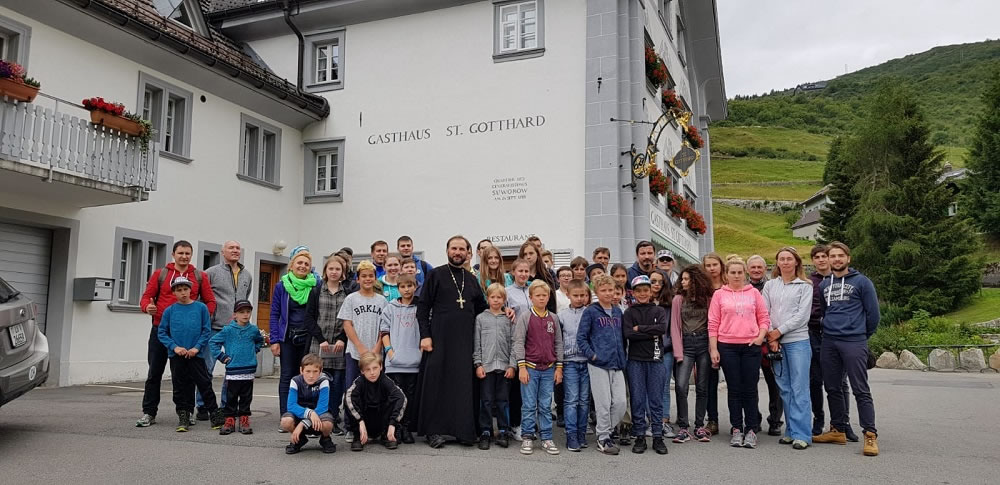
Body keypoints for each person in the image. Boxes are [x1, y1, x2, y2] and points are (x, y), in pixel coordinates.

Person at [417, 236, 492, 448]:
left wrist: (502, 311)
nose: (457, 252)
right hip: (439, 339)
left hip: (465, 341)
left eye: (461, 249)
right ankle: (433, 431)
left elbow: (482, 308)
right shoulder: (436, 275)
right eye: (454, 248)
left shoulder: (471, 279)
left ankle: (463, 430)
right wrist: (425, 335)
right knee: (436, 383)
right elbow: (423, 307)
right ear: (447, 250)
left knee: (462, 385)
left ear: (468, 252)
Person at [137, 240, 216, 428]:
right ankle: (149, 412)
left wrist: (200, 318)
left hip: (188, 336)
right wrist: (147, 307)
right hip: (161, 331)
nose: (184, 256)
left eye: (188, 253)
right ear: (173, 254)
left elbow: (210, 302)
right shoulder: (161, 274)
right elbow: (146, 297)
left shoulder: (199, 276)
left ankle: (187, 412)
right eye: (181, 253)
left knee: (187, 377)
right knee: (154, 373)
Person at [813, 242, 880, 457]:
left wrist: (860, 335)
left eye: (840, 255)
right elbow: (825, 312)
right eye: (833, 256)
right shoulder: (824, 285)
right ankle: (838, 430)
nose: (836, 259)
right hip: (829, 341)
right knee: (832, 387)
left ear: (848, 258)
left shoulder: (862, 282)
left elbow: (873, 315)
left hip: (854, 341)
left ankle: (870, 434)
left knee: (860, 389)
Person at [709, 255, 770, 449]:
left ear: (745, 274)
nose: (736, 276)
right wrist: (713, 348)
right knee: (734, 389)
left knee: (750, 389)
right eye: (732, 272)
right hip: (727, 346)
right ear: (726, 274)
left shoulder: (754, 293)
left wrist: (760, 337)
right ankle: (736, 428)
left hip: (751, 346)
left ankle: (751, 429)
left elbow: (764, 318)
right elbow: (713, 323)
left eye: (739, 272)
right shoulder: (719, 295)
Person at [762, 247, 814, 450]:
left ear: (796, 262)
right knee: (784, 388)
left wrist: (779, 332)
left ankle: (802, 434)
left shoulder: (805, 286)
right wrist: (771, 335)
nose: (785, 262)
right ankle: (791, 431)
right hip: (775, 342)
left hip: (797, 341)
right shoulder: (770, 285)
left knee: (799, 388)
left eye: (789, 259)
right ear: (777, 262)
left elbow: (802, 316)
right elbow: (764, 312)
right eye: (781, 259)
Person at [156, 276, 223, 432]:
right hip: (177, 356)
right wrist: (174, 347)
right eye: (179, 290)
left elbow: (206, 330)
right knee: (180, 386)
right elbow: (162, 332)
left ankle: (214, 414)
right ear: (174, 292)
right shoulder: (169, 311)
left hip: (196, 355)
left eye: (185, 289)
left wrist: (197, 348)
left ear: (191, 290)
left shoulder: (201, 308)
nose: (183, 293)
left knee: (204, 383)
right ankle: (184, 415)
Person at [808, 245, 857, 441]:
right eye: (817, 257)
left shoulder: (839, 279)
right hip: (813, 333)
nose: (821, 260)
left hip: (836, 334)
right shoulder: (809, 282)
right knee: (815, 380)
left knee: (840, 382)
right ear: (813, 260)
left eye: (824, 256)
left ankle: (843, 423)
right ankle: (818, 420)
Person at [339, 260, 389, 443]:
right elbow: (347, 324)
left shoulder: (382, 300)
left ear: (375, 278)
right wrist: (359, 346)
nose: (368, 279)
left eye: (371, 276)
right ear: (358, 279)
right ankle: (350, 427)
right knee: (352, 390)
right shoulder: (351, 299)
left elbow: (385, 326)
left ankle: (374, 427)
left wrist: (377, 347)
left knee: (376, 390)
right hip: (355, 352)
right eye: (364, 276)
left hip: (375, 353)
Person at [577, 274, 628, 455]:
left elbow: (622, 337)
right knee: (603, 403)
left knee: (620, 402)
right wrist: (593, 355)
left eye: (610, 290)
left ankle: (606, 429)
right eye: (603, 290)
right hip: (598, 364)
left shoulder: (618, 312)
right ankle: (603, 437)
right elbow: (581, 338)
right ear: (596, 292)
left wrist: (623, 356)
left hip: (617, 363)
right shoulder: (591, 312)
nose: (608, 293)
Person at [513, 280, 564, 456]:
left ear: (549, 297)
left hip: (549, 369)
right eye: (538, 295)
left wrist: (559, 368)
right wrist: (521, 367)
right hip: (530, 368)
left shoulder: (553, 318)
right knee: (528, 405)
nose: (541, 298)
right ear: (531, 297)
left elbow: (558, 343)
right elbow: (518, 342)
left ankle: (547, 438)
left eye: (544, 295)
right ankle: (528, 436)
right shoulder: (525, 317)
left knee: (545, 405)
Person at [622, 275, 670, 455]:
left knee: (656, 400)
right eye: (639, 291)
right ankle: (640, 435)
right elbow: (628, 334)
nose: (642, 294)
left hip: (655, 360)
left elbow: (661, 329)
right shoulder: (629, 313)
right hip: (635, 361)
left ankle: (658, 436)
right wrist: (650, 332)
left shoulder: (658, 311)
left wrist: (640, 328)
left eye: (645, 290)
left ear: (651, 292)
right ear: (633, 293)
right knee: (638, 399)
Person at [306, 254, 354, 436]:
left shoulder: (347, 294)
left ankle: (332, 419)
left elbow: (350, 318)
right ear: (325, 271)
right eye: (331, 268)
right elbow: (309, 319)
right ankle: (315, 421)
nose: (334, 272)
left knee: (337, 385)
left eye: (338, 269)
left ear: (343, 272)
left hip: (339, 346)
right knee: (316, 383)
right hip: (319, 345)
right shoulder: (316, 291)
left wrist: (342, 338)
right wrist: (321, 339)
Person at [204, 240, 253, 417]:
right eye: (231, 248)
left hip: (236, 330)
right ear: (222, 252)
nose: (235, 250)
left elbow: (244, 300)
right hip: (215, 327)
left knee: (232, 371)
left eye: (238, 248)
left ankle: (227, 407)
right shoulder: (211, 273)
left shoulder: (247, 275)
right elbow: (204, 299)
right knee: (207, 369)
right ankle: (203, 406)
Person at [270, 249, 320, 420]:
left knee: (308, 375)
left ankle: (304, 414)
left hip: (308, 338)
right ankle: (286, 414)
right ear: (291, 266)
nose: (303, 266)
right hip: (287, 337)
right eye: (299, 263)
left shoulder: (315, 286)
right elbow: (274, 314)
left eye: (306, 264)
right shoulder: (281, 286)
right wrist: (274, 340)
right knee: (287, 376)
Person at [670, 265, 714, 444]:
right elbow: (674, 327)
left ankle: (699, 426)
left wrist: (712, 349)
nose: (683, 282)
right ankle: (683, 427)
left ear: (696, 280)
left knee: (702, 387)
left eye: (687, 279)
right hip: (686, 344)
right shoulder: (678, 299)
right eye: (682, 279)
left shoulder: (708, 299)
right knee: (681, 386)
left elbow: (713, 324)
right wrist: (678, 352)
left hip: (703, 343)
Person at [209, 299, 264, 435]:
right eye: (241, 312)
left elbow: (259, 340)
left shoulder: (253, 330)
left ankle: (244, 419)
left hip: (248, 369)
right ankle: (229, 420)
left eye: (248, 312)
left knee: (246, 397)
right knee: (231, 397)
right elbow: (213, 342)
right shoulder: (228, 330)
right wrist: (222, 357)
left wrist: (254, 350)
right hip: (233, 370)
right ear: (235, 315)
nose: (245, 315)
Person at [378, 273, 420, 444]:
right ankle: (394, 427)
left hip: (414, 362)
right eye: (403, 286)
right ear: (398, 288)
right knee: (395, 396)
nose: (406, 289)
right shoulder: (390, 308)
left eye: (410, 286)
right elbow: (384, 331)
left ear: (415, 287)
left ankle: (406, 428)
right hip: (395, 362)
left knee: (410, 397)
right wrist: (390, 352)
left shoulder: (420, 307)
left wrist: (420, 353)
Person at [474, 283, 516, 450]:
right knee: (486, 400)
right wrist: (478, 364)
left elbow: (514, 342)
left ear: (504, 299)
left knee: (503, 401)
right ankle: (485, 431)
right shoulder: (480, 318)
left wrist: (512, 365)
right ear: (488, 298)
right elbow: (477, 343)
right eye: (493, 297)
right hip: (487, 366)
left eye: (499, 297)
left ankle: (504, 430)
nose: (496, 300)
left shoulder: (508, 319)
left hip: (504, 367)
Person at [747, 254, 784, 437]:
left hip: (770, 340)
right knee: (750, 383)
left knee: (775, 384)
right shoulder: (742, 288)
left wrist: (773, 336)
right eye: (753, 267)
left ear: (765, 269)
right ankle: (754, 418)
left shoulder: (774, 286)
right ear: (748, 269)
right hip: (749, 341)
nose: (756, 270)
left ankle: (775, 421)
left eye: (759, 267)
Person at [345, 351, 407, 451]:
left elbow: (401, 397)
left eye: (375, 368)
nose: (372, 373)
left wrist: (393, 423)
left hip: (381, 421)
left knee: (397, 397)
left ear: (381, 367)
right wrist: (360, 421)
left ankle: (386, 434)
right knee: (349, 397)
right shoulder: (359, 382)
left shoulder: (386, 380)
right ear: (362, 371)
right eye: (368, 369)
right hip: (364, 422)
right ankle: (358, 435)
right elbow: (348, 398)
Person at [281, 354, 337, 454]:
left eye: (315, 371)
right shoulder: (295, 381)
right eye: (308, 371)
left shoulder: (324, 381)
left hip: (319, 415)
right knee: (286, 421)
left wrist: (303, 423)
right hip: (301, 413)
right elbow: (291, 405)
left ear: (321, 371)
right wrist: (310, 413)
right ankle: (299, 439)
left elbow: (323, 407)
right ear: (301, 370)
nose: (311, 375)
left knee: (328, 424)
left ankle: (325, 439)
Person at [560, 279, 591, 452]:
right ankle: (571, 435)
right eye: (576, 295)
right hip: (570, 362)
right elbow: (558, 340)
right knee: (571, 400)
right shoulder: (562, 315)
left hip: (587, 361)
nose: (579, 299)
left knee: (584, 400)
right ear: (568, 295)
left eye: (582, 295)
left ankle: (581, 433)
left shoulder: (590, 313)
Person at [652, 269, 679, 439]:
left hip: (666, 349)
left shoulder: (669, 303)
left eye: (660, 282)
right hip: (646, 349)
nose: (656, 285)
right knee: (648, 385)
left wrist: (667, 344)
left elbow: (672, 327)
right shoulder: (643, 300)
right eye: (653, 281)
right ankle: (651, 420)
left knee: (663, 385)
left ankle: (664, 419)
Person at [701, 252, 725, 435]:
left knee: (738, 382)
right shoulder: (702, 287)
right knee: (710, 381)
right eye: (708, 265)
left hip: (730, 336)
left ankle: (747, 418)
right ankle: (712, 419)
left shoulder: (728, 284)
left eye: (714, 264)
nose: (711, 268)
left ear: (721, 266)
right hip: (708, 337)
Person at [520, 242, 558, 306]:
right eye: (525, 254)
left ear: (537, 255)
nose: (528, 257)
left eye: (531, 253)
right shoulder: (516, 276)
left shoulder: (546, 275)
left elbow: (552, 300)